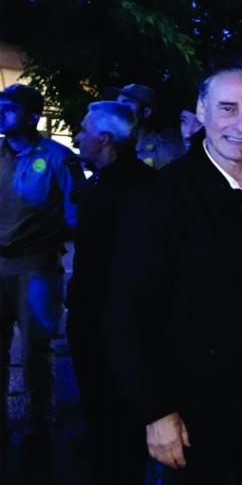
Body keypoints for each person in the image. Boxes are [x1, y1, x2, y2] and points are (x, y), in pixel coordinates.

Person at [107, 59, 242, 483]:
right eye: (227, 108)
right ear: (201, 110)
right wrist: (156, 410)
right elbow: (128, 314)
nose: (241, 125)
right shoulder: (161, 197)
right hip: (194, 409)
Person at [67, 101, 154, 484]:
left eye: (84, 130)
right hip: (90, 316)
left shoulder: (143, 190)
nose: (77, 136)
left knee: (120, 413)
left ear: (104, 138)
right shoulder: (95, 184)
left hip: (121, 323)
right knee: (98, 407)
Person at [0, 84, 84, 436]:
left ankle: (40, 422)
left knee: (36, 348)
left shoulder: (58, 158)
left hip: (37, 266)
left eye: (10, 108)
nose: (1, 113)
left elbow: (77, 214)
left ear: (33, 117)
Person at [116, 83, 184, 168]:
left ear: (146, 112)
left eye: (126, 105)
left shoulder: (165, 150)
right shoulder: (113, 146)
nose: (117, 110)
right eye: (117, 104)